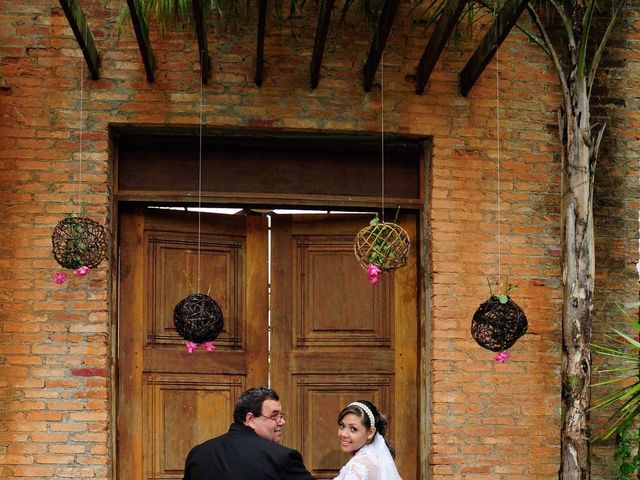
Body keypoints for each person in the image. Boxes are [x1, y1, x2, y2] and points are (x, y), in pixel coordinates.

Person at [183, 386, 316, 480]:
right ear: (250, 419)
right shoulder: (282, 457)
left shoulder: (198, 453)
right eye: (275, 416)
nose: (282, 421)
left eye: (281, 415)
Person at [333, 400, 402, 480]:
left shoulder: (358, 466)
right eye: (342, 426)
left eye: (353, 429)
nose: (343, 434)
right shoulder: (374, 459)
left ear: (370, 432)